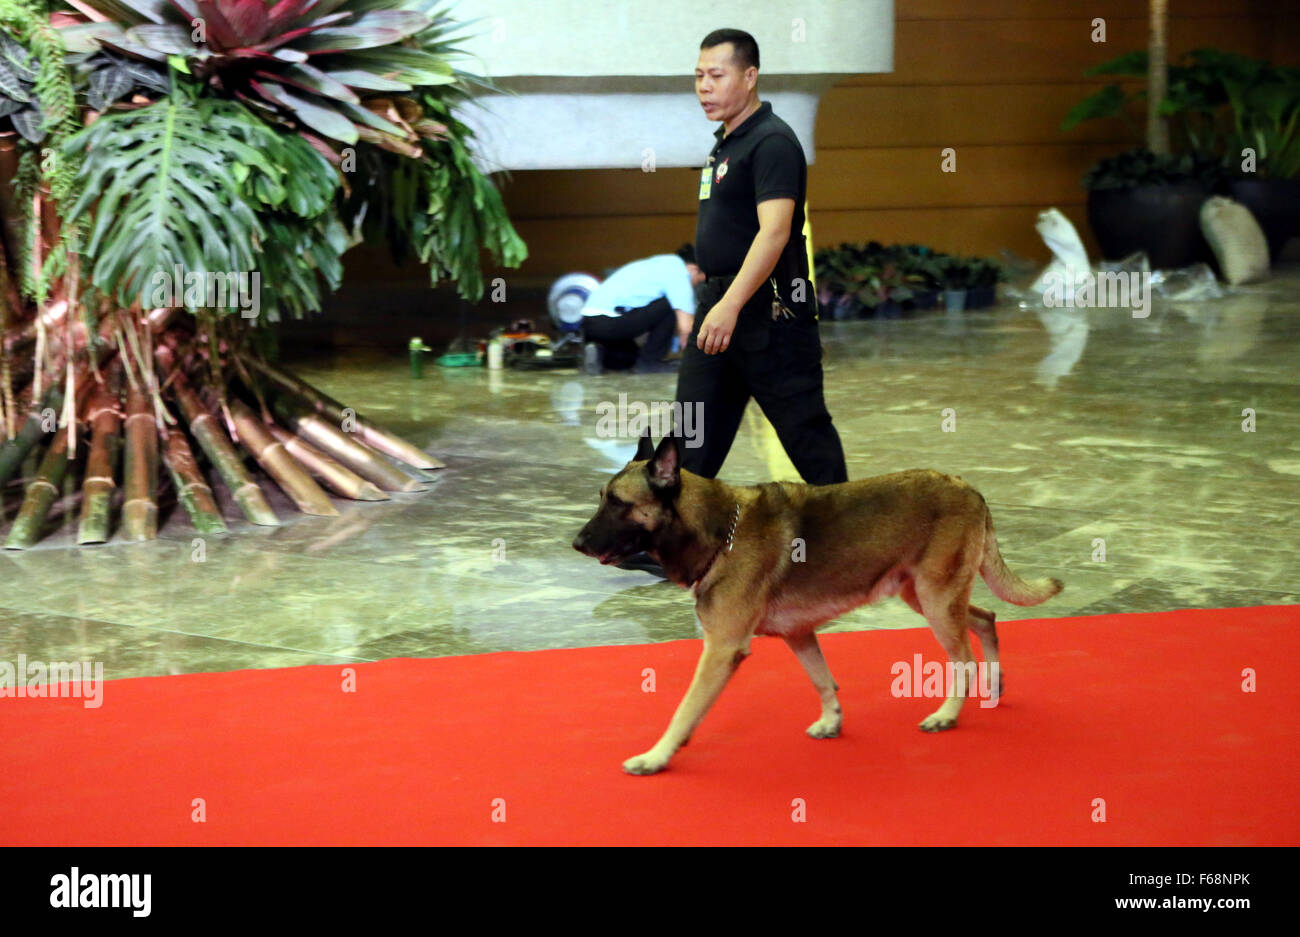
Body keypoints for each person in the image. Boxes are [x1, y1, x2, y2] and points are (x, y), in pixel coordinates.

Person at [618, 28, 849, 578]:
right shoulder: (727, 143)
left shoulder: (772, 142)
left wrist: (728, 306)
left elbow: (775, 232)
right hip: (718, 302)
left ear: (750, 77)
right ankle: (678, 544)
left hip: (768, 312)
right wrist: (713, 301)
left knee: (804, 432)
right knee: (694, 429)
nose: (703, 86)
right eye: (698, 75)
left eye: (716, 75)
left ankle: (853, 537)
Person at [580, 245, 706, 373]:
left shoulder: (658, 263)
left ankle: (598, 351)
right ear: (694, 269)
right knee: (670, 305)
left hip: (590, 324)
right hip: (609, 321)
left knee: (629, 359)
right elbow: (686, 327)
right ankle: (649, 363)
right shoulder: (679, 272)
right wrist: (699, 359)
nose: (696, 286)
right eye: (699, 281)